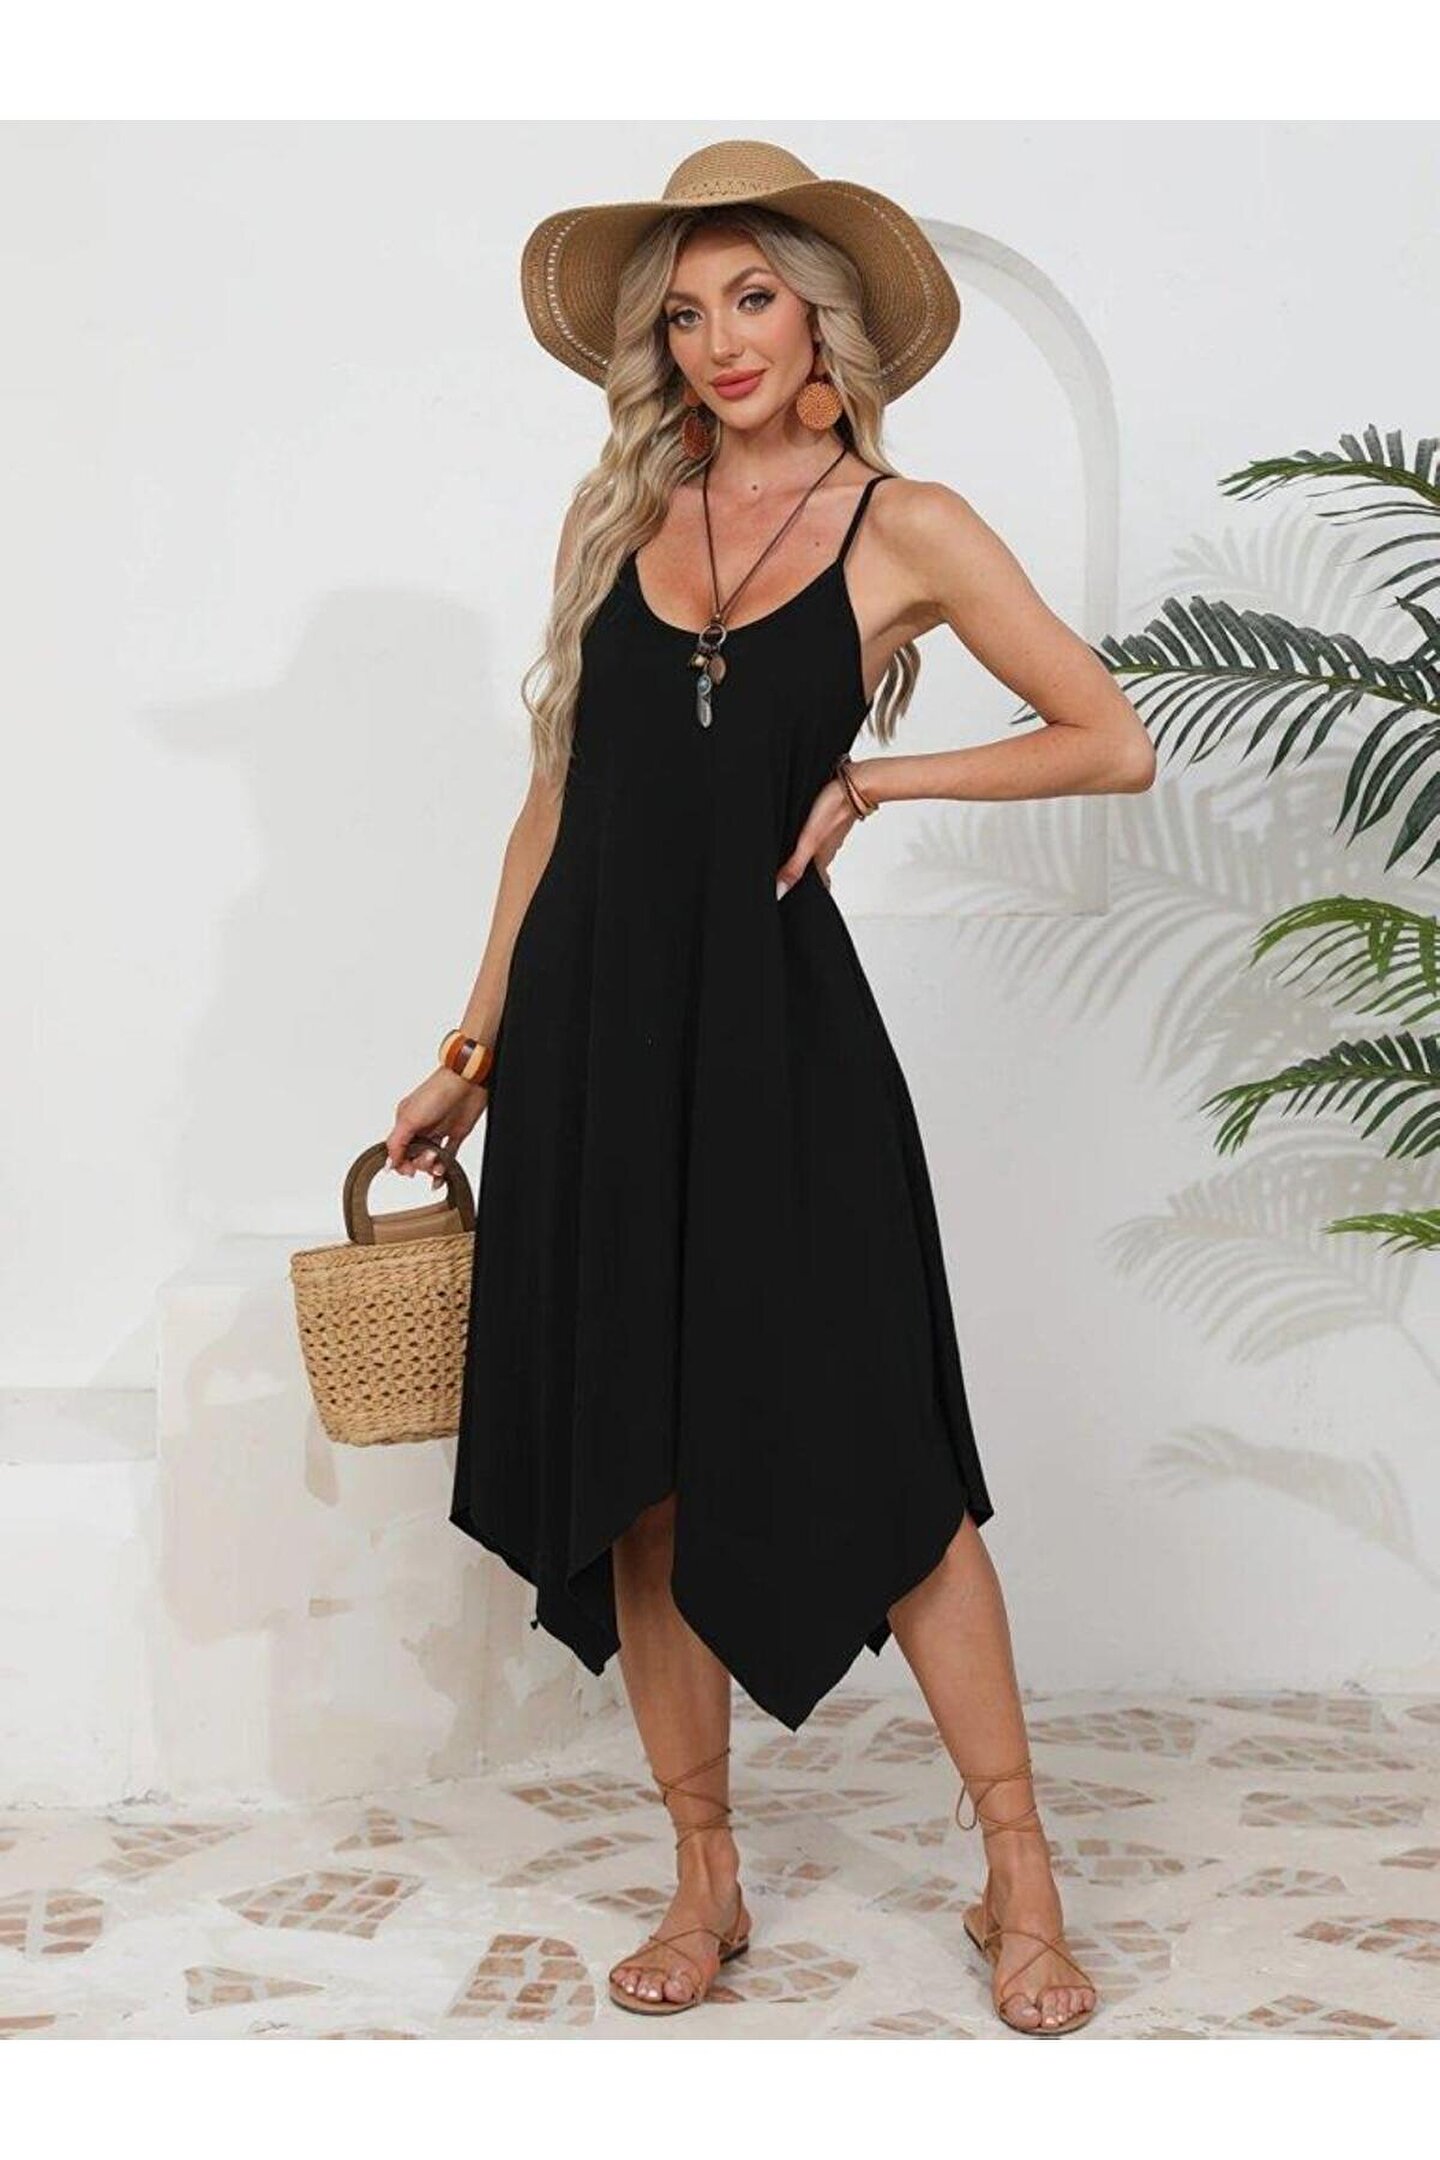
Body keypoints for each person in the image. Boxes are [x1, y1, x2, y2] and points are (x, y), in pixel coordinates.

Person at [385, 139, 1154, 2034]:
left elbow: (1108, 738)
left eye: (751, 298)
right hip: (591, 1047)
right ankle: (704, 1873)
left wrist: (877, 779)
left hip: (782, 1048)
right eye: (683, 313)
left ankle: (1018, 1872)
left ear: (822, 321)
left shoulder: (909, 525)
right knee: (641, 1479)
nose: (719, 341)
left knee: (897, 1471)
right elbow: (555, 804)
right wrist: (474, 1050)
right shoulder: (619, 517)